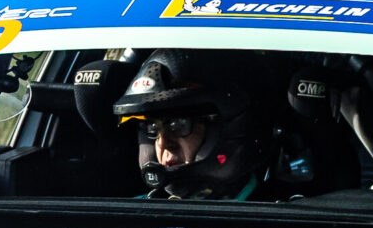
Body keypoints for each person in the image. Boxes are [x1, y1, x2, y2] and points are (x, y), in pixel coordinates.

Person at [114, 50, 271, 200]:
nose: (164, 143)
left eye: (179, 125)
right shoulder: (131, 215)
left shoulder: (281, 218)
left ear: (221, 129)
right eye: (153, 128)